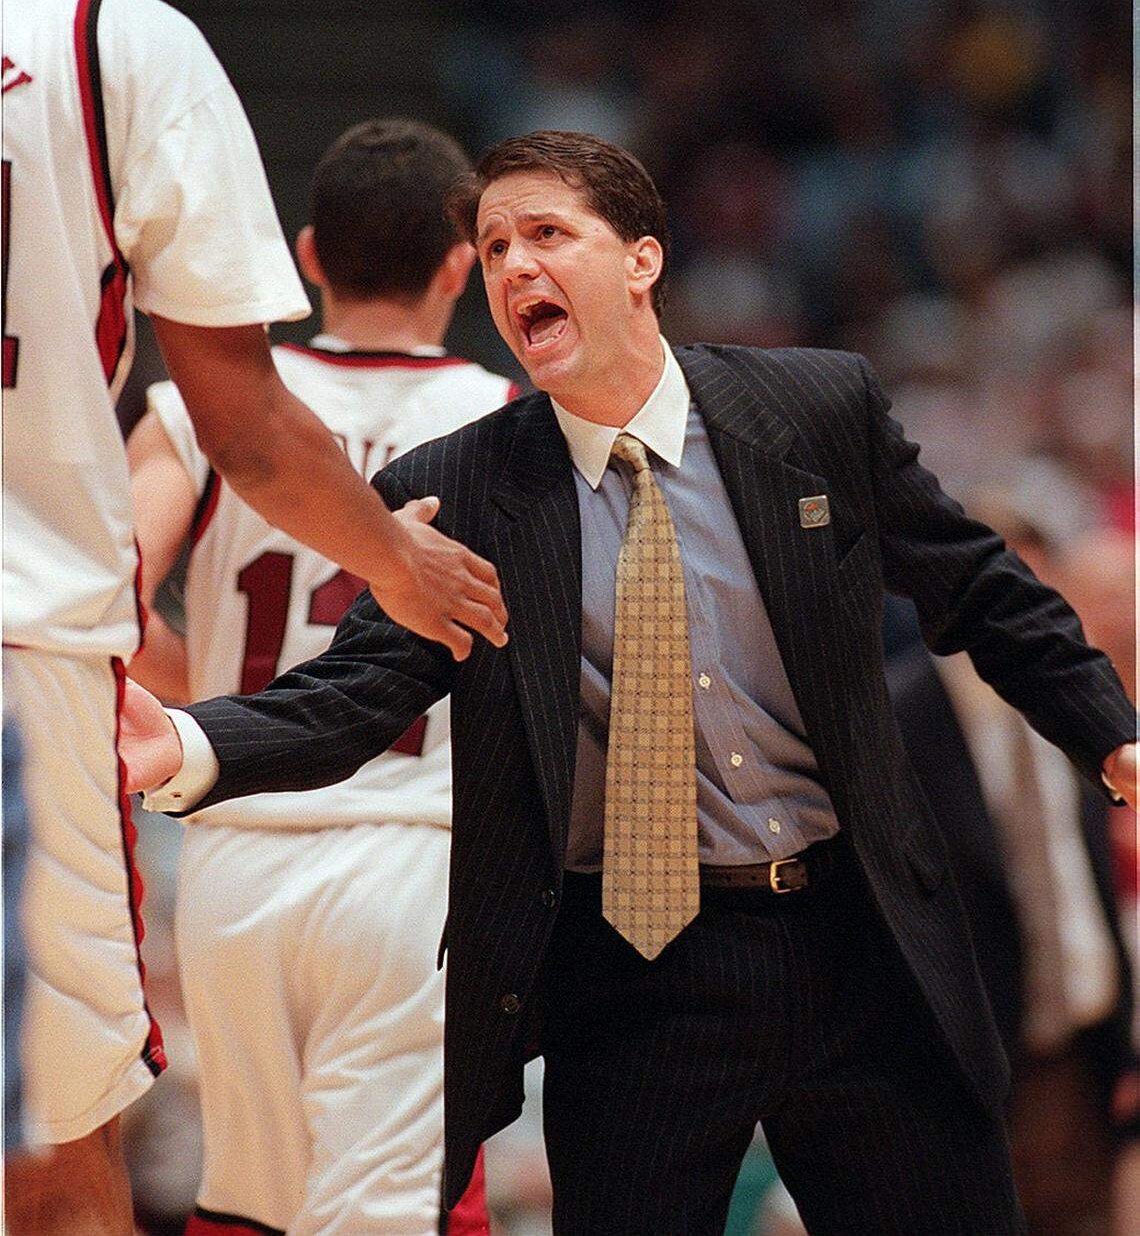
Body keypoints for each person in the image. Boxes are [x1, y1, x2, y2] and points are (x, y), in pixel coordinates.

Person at [121, 131, 1138, 1236]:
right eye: (494, 243)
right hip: (638, 963)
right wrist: (185, 744)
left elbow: (981, 587)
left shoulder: (812, 410)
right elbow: (358, 689)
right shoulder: (464, 484)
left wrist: (1112, 735)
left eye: (546, 234)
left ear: (642, 260)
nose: (514, 266)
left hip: (860, 936)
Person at [1, 0, 505, 1230]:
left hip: (238, 865)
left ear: (313, 254)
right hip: (60, 677)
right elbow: (244, 423)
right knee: (59, 1154)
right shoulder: (113, 43)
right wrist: (404, 565)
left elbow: (170, 537)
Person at [127, 118, 512, 1236]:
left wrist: (204, 691)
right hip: (410, 855)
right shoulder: (505, 421)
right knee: (400, 1213)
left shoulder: (209, 410)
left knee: (249, 1208)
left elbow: (108, 597)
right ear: (460, 267)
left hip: (233, 854)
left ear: (307, 255)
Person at [887, 481, 1136, 1236]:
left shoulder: (1078, 701)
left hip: (1086, 1056)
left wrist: (1123, 1037)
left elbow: (1083, 875)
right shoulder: (895, 715)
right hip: (967, 1070)